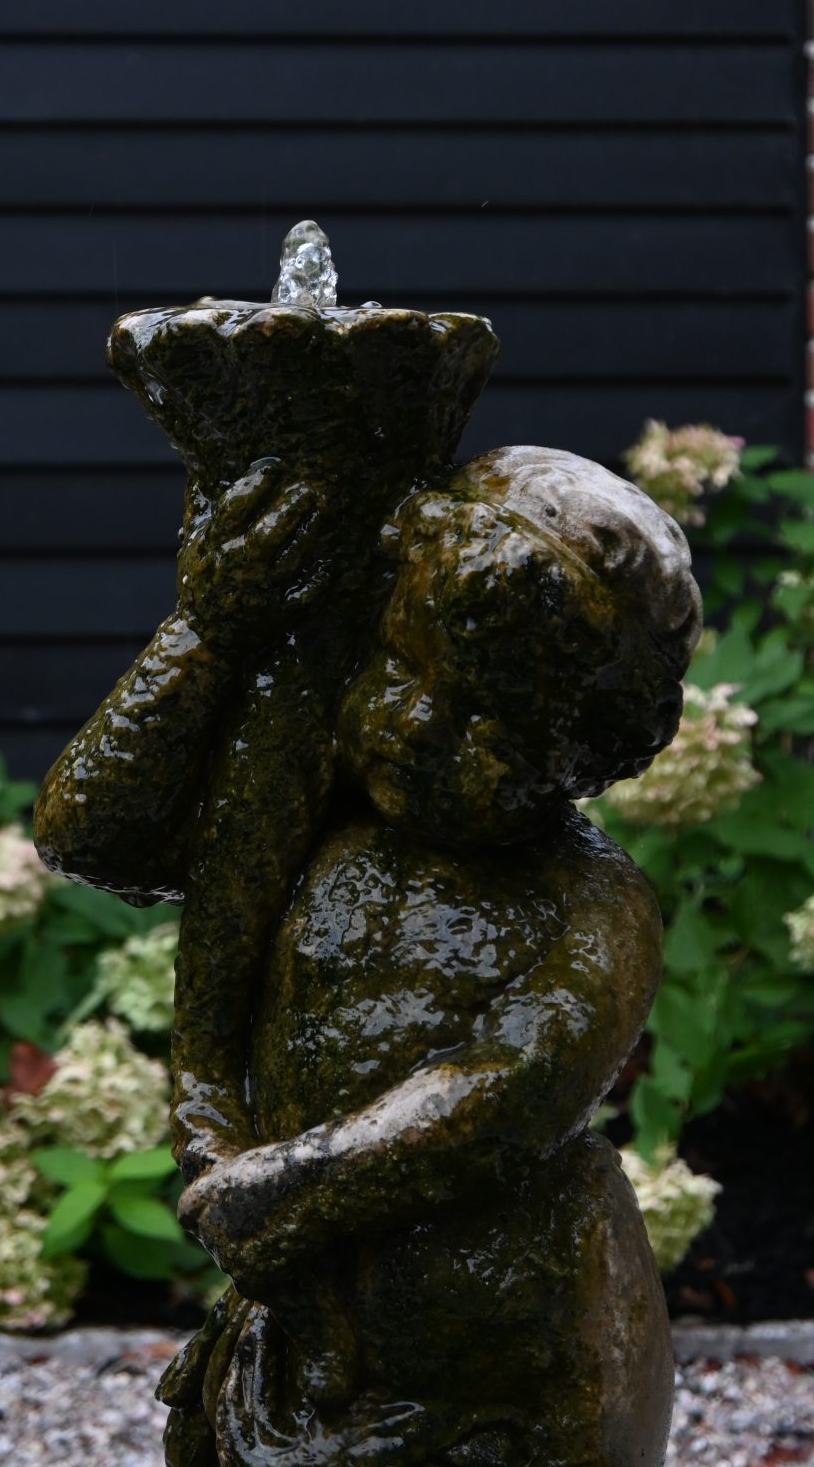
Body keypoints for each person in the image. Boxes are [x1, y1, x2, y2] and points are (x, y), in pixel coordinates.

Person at [34, 445, 701, 1467]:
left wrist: (292, 1186)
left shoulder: (593, 902)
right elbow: (86, 833)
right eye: (400, 667)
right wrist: (204, 634)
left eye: (487, 723)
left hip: (507, 1376)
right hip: (293, 1343)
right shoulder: (298, 811)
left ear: (586, 756)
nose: (419, 724)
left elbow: (502, 1093)